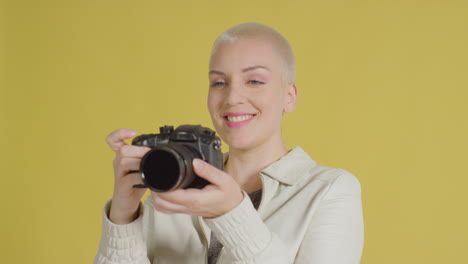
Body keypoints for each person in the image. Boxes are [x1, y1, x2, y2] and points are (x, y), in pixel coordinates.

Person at [94, 22, 364, 264]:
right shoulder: (171, 190)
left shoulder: (329, 192)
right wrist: (122, 215)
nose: (232, 97)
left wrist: (231, 213)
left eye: (255, 80)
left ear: (289, 96)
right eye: (219, 82)